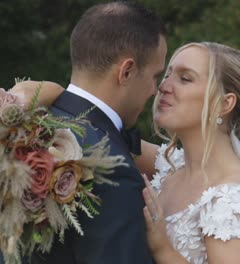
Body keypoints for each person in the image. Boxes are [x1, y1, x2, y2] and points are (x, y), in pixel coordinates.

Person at [11, 42, 240, 263]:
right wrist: (42, 93)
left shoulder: (236, 199)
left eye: (184, 78)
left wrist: (165, 251)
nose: (163, 87)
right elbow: (102, 130)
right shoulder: (171, 165)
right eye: (167, 75)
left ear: (225, 103)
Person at [7, 2, 167, 264]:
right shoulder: (113, 169)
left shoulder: (25, 132)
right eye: (155, 75)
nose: (155, 90)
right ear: (126, 71)